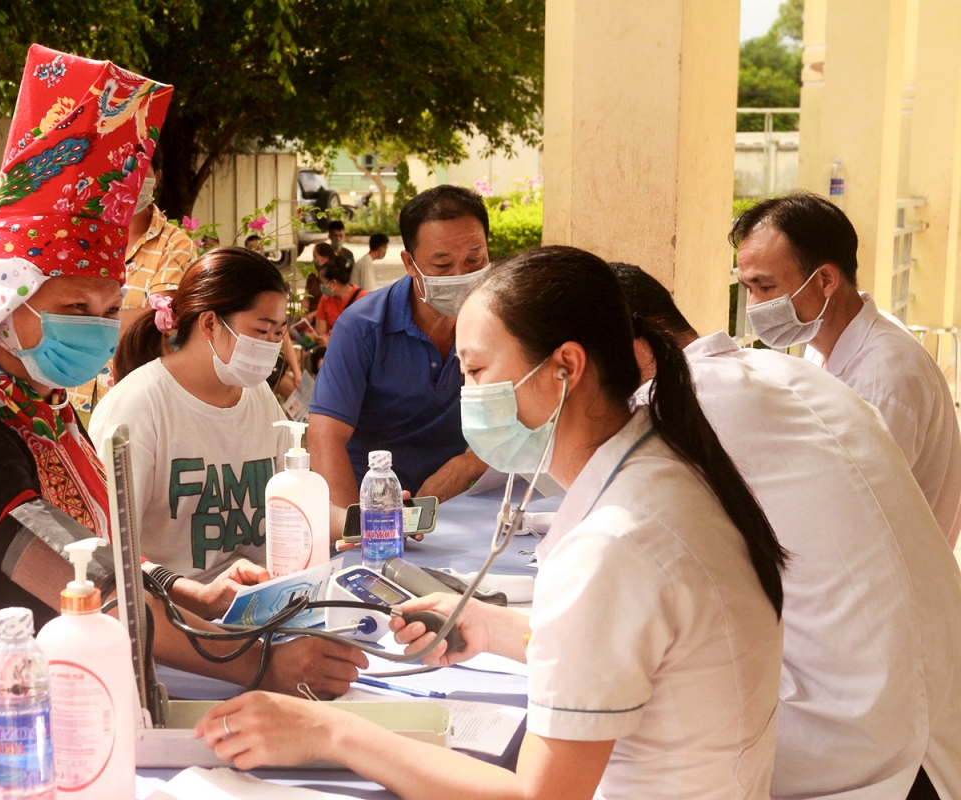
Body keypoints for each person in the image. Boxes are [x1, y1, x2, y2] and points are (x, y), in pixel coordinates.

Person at [195, 246, 787, 798]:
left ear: (566, 367)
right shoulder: (663, 472)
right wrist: (489, 627)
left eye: (476, 372)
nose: (465, 393)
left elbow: (540, 794)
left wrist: (327, 732)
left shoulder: (616, 543)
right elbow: (631, 652)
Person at [0, 45, 362, 699]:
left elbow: (93, 546)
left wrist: (184, 590)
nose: (95, 324)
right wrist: (258, 665)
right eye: (73, 307)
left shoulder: (46, 413)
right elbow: (88, 589)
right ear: (5, 307)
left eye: (109, 308)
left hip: (76, 688)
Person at [614, 261, 961, 800]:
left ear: (634, 351)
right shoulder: (786, 374)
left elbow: (626, 610)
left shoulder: (679, 410)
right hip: (928, 721)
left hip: (862, 752)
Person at [733, 193, 961, 546]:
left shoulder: (884, 380)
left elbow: (852, 518)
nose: (755, 305)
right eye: (748, 288)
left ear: (825, 280)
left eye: (766, 287)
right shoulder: (825, 340)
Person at [90, 248, 290, 589]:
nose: (271, 345)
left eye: (279, 333)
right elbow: (109, 552)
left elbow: (294, 500)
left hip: (259, 599)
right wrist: (197, 595)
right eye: (261, 331)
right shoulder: (137, 408)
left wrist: (371, 517)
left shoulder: (257, 395)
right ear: (210, 323)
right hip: (175, 616)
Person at [308, 185, 489, 506]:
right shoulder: (361, 328)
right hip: (370, 503)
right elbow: (325, 437)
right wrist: (355, 528)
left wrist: (469, 464)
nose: (461, 276)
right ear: (409, 263)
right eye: (442, 265)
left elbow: (530, 417)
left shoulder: (500, 320)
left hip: (456, 504)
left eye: (475, 259)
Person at [69, 140, 197, 415]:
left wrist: (82, 318)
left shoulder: (175, 244)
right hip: (74, 393)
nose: (128, 179)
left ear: (157, 177)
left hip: (137, 398)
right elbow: (57, 309)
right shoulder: (85, 239)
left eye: (138, 169)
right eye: (118, 170)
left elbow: (161, 320)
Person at [313, 259, 366, 348]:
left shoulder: (363, 299)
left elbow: (364, 335)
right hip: (329, 349)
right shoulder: (325, 299)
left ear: (334, 283)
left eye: (322, 283)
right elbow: (321, 331)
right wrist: (327, 341)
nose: (321, 287)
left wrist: (333, 343)